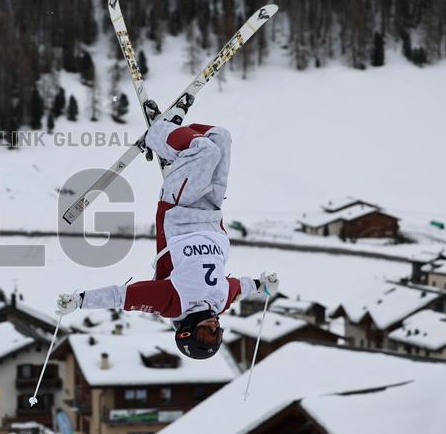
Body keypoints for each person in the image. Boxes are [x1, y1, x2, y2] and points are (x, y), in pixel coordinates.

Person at [57, 112, 280, 360]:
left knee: (205, 152)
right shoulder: (220, 301)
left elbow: (121, 297)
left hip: (179, 210)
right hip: (212, 212)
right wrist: (263, 286)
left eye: (206, 334)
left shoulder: (172, 302)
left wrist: (79, 301)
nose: (214, 328)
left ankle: (157, 133)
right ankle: (176, 134)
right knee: (221, 138)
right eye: (217, 335)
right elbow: (243, 288)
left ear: (186, 333)